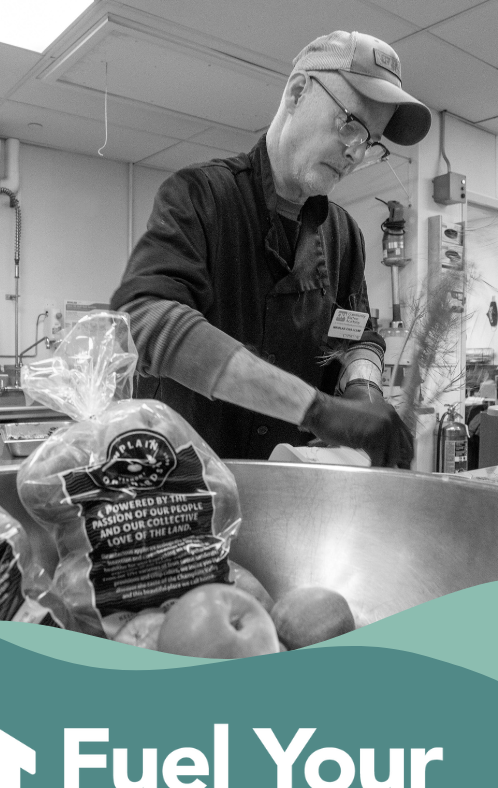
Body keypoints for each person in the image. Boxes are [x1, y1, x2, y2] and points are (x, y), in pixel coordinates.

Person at [110, 31, 432, 467]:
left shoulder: (345, 235)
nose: (356, 153)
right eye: (351, 124)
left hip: (291, 477)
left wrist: (363, 390)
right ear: (299, 91)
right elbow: (145, 316)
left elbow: (358, 335)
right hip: (188, 478)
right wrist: (317, 409)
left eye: (371, 142)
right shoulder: (200, 195)